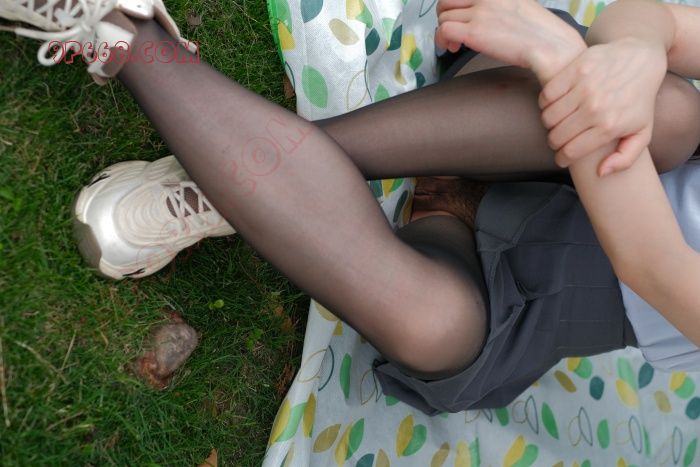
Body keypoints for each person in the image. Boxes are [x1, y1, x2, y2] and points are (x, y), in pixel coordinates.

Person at [3, 0, 700, 414]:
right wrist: (636, 51)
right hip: (511, 119)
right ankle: (122, 28)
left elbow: (653, 264)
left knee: (434, 326)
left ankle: (252, 178)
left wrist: (560, 55)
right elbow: (656, 20)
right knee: (671, 113)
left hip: (544, 284)